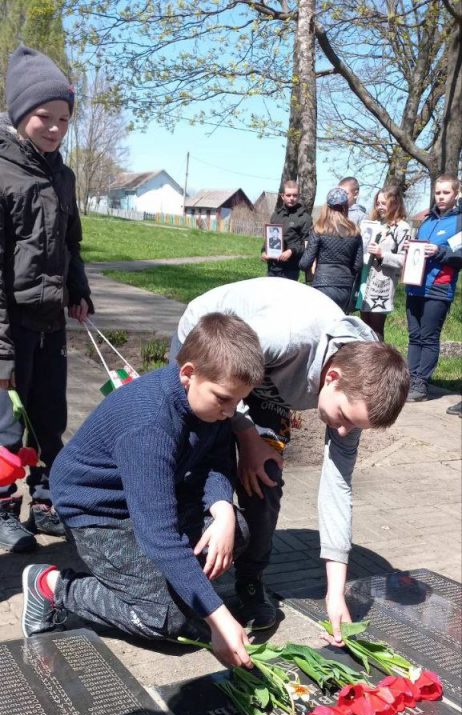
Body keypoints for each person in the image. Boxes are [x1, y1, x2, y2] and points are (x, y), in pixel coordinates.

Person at [170, 278, 410, 642]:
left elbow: (337, 485)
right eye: (343, 418)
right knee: (194, 458)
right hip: (216, 351)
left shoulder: (364, 386)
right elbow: (223, 371)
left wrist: (335, 592)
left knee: (264, 476)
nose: (344, 432)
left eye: (354, 426)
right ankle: (179, 569)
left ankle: (250, 581)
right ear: (332, 377)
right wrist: (246, 435)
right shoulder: (286, 335)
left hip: (269, 384)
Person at [21, 313, 265, 670]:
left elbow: (216, 458)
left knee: (234, 532)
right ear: (188, 374)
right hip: (99, 513)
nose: (230, 413)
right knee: (164, 619)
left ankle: (166, 583)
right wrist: (219, 616)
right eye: (224, 400)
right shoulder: (149, 425)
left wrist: (222, 508)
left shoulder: (208, 406)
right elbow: (159, 536)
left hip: (149, 498)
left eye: (238, 402)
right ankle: (54, 588)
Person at [0, 45, 93, 554]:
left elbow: (70, 242)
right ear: (20, 114)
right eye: (44, 117)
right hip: (9, 325)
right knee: (5, 425)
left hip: (50, 319)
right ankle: (0, 510)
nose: (55, 128)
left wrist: (78, 289)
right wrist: (2, 354)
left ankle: (42, 501)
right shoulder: (4, 171)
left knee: (47, 416)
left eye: (64, 119)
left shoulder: (63, 173)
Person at [405, 175, 462, 403]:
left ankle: (421, 384)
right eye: (438, 192)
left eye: (446, 192)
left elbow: (459, 256)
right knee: (414, 336)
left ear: (456, 194)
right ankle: (409, 379)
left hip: (438, 287)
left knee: (428, 337)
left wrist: (438, 252)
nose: (441, 197)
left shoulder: (459, 222)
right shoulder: (427, 220)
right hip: (414, 286)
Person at [358, 184, 410, 341]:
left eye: (383, 203)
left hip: (382, 285)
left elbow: (403, 260)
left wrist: (382, 254)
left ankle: (381, 363)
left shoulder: (403, 228)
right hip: (366, 281)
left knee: (376, 330)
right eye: (377, 203)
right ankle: (366, 362)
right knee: (364, 329)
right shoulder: (377, 225)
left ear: (394, 203)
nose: (380, 207)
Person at [299, 187, 363, 312]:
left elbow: (305, 263)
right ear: (345, 207)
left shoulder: (318, 229)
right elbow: (358, 265)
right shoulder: (354, 231)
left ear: (327, 207)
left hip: (322, 285)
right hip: (345, 287)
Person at [261, 180, 312, 281]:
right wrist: (263, 251)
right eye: (288, 195)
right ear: (282, 196)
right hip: (273, 267)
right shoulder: (276, 215)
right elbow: (269, 237)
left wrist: (291, 251)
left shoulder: (305, 218)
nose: (292, 198)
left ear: (299, 196)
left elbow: (307, 244)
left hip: (290, 269)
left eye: (294, 195)